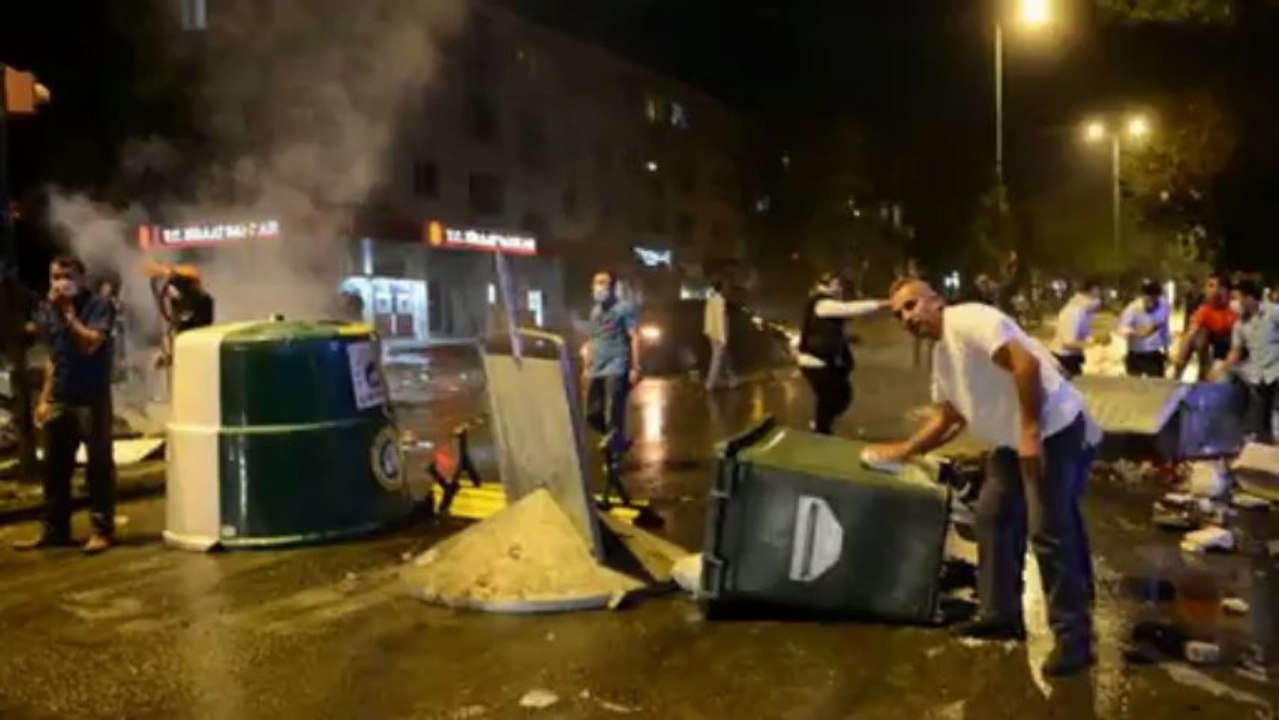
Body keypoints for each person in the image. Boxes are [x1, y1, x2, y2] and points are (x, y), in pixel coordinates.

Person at [865, 279, 1099, 678]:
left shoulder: (970, 320)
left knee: (1048, 531)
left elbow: (1025, 364)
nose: (907, 318)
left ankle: (1074, 639)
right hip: (1013, 441)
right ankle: (1000, 613)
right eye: (899, 313)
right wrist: (904, 450)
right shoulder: (942, 356)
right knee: (991, 514)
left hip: (1054, 429)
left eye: (911, 305)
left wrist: (1028, 432)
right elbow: (947, 417)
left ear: (936, 301)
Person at [15, 257, 118, 554]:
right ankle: (54, 530)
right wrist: (45, 398)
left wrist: (69, 315)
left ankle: (102, 529)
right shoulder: (47, 310)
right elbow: (53, 356)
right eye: (55, 276)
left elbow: (91, 344)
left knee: (98, 466)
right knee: (54, 467)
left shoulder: (98, 305)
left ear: (81, 278)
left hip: (91, 398)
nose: (61, 282)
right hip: (61, 396)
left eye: (67, 276)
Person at [797, 273, 884, 435]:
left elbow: (825, 331)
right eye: (835, 285)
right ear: (823, 285)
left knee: (838, 395)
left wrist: (848, 339)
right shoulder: (822, 303)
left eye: (840, 285)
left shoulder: (825, 305)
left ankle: (821, 428)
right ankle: (821, 431)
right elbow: (850, 309)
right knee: (833, 396)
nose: (839, 289)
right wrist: (882, 304)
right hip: (814, 361)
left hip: (821, 361)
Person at [1214, 280, 1279, 443]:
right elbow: (1235, 351)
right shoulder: (1239, 325)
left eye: (1239, 298)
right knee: (1263, 427)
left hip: (1277, 370)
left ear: (1250, 298)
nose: (1236, 303)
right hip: (1259, 376)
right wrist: (1221, 370)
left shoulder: (1273, 312)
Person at [583, 270, 640, 454]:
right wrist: (586, 366)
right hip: (596, 367)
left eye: (604, 283)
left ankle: (614, 454)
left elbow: (634, 336)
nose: (599, 287)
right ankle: (616, 439)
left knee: (613, 412)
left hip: (617, 366)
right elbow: (592, 339)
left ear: (613, 287)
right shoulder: (595, 312)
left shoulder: (624, 308)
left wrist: (635, 367)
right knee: (591, 414)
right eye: (596, 283)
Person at [1173, 273, 1237, 382]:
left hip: (1233, 358)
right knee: (1198, 335)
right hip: (1215, 357)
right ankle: (1178, 376)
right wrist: (1179, 356)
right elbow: (1191, 333)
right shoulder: (1205, 310)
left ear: (1222, 289)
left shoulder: (1235, 310)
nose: (1207, 290)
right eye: (1208, 286)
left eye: (1211, 286)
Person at [1050, 279, 1102, 378]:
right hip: (1063, 359)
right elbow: (1068, 343)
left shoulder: (1085, 312)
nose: (1098, 300)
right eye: (1095, 296)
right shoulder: (1072, 312)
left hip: (1073, 358)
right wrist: (1092, 344)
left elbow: (1084, 334)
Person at [1118, 281, 1171, 378]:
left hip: (1154, 354)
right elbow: (1122, 329)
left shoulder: (1164, 306)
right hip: (1136, 354)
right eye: (1148, 299)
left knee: (1158, 387)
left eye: (1154, 299)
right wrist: (1137, 333)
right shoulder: (1133, 308)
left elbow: (1165, 330)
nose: (1150, 302)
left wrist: (1167, 352)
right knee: (1135, 389)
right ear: (1142, 296)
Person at [703, 280, 732, 390]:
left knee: (723, 357)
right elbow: (720, 321)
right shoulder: (719, 300)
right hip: (718, 334)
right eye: (725, 286)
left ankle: (722, 379)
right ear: (721, 288)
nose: (727, 288)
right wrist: (723, 337)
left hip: (712, 332)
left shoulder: (711, 299)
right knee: (717, 359)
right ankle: (710, 384)